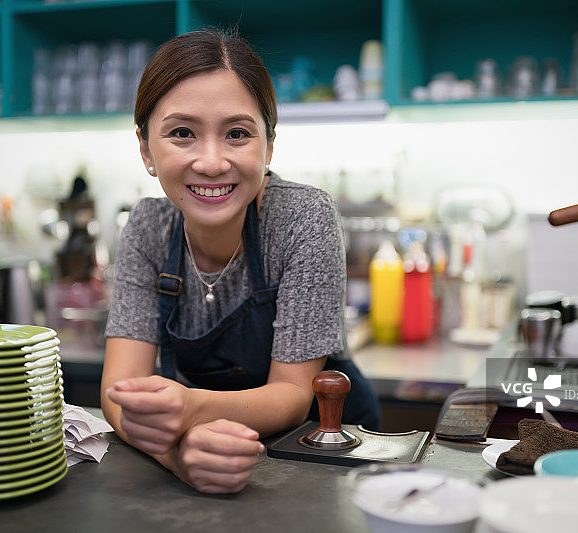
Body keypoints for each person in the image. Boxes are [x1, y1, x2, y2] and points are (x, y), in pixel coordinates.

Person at [101, 29, 381, 495]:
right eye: (182, 133)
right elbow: (120, 392)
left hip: (323, 454)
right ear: (147, 149)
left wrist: (188, 410)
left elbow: (293, 395)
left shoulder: (301, 218)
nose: (211, 162)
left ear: (268, 145)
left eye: (236, 134)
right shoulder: (148, 227)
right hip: (206, 448)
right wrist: (179, 455)